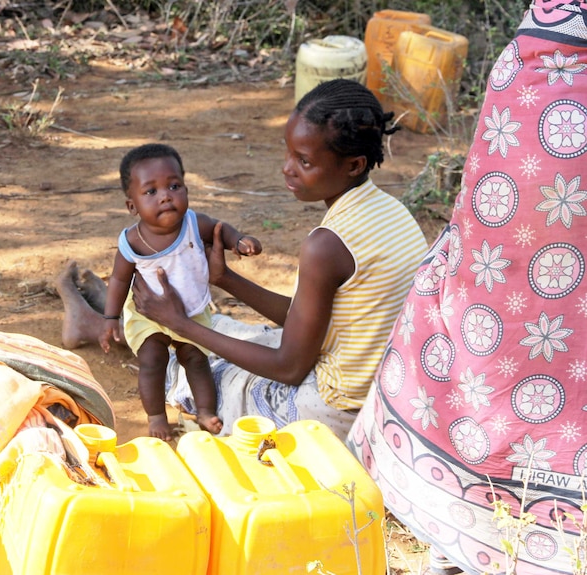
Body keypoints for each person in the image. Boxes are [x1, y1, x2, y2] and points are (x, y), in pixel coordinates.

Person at [346, 2, 587, 574]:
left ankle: (459, 520)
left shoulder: (520, 65)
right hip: (539, 151)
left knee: (483, 307)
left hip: (525, 124)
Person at [59, 79, 428, 441]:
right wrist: (226, 280)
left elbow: (289, 366)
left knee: (193, 360)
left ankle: (96, 325)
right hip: (382, 392)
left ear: (353, 164)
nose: (287, 168)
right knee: (225, 330)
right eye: (288, 153)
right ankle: (113, 315)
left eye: (303, 161)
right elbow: (310, 316)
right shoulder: (390, 212)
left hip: (328, 411)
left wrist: (179, 324)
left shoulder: (327, 245)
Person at [99, 143, 262, 440]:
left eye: (174, 186)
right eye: (151, 191)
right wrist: (110, 317)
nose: (165, 196)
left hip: (192, 309)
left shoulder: (194, 224)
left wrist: (239, 241)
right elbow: (120, 280)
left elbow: (221, 230)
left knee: (196, 360)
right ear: (131, 205)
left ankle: (206, 411)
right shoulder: (131, 243)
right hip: (149, 313)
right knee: (152, 360)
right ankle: (156, 416)